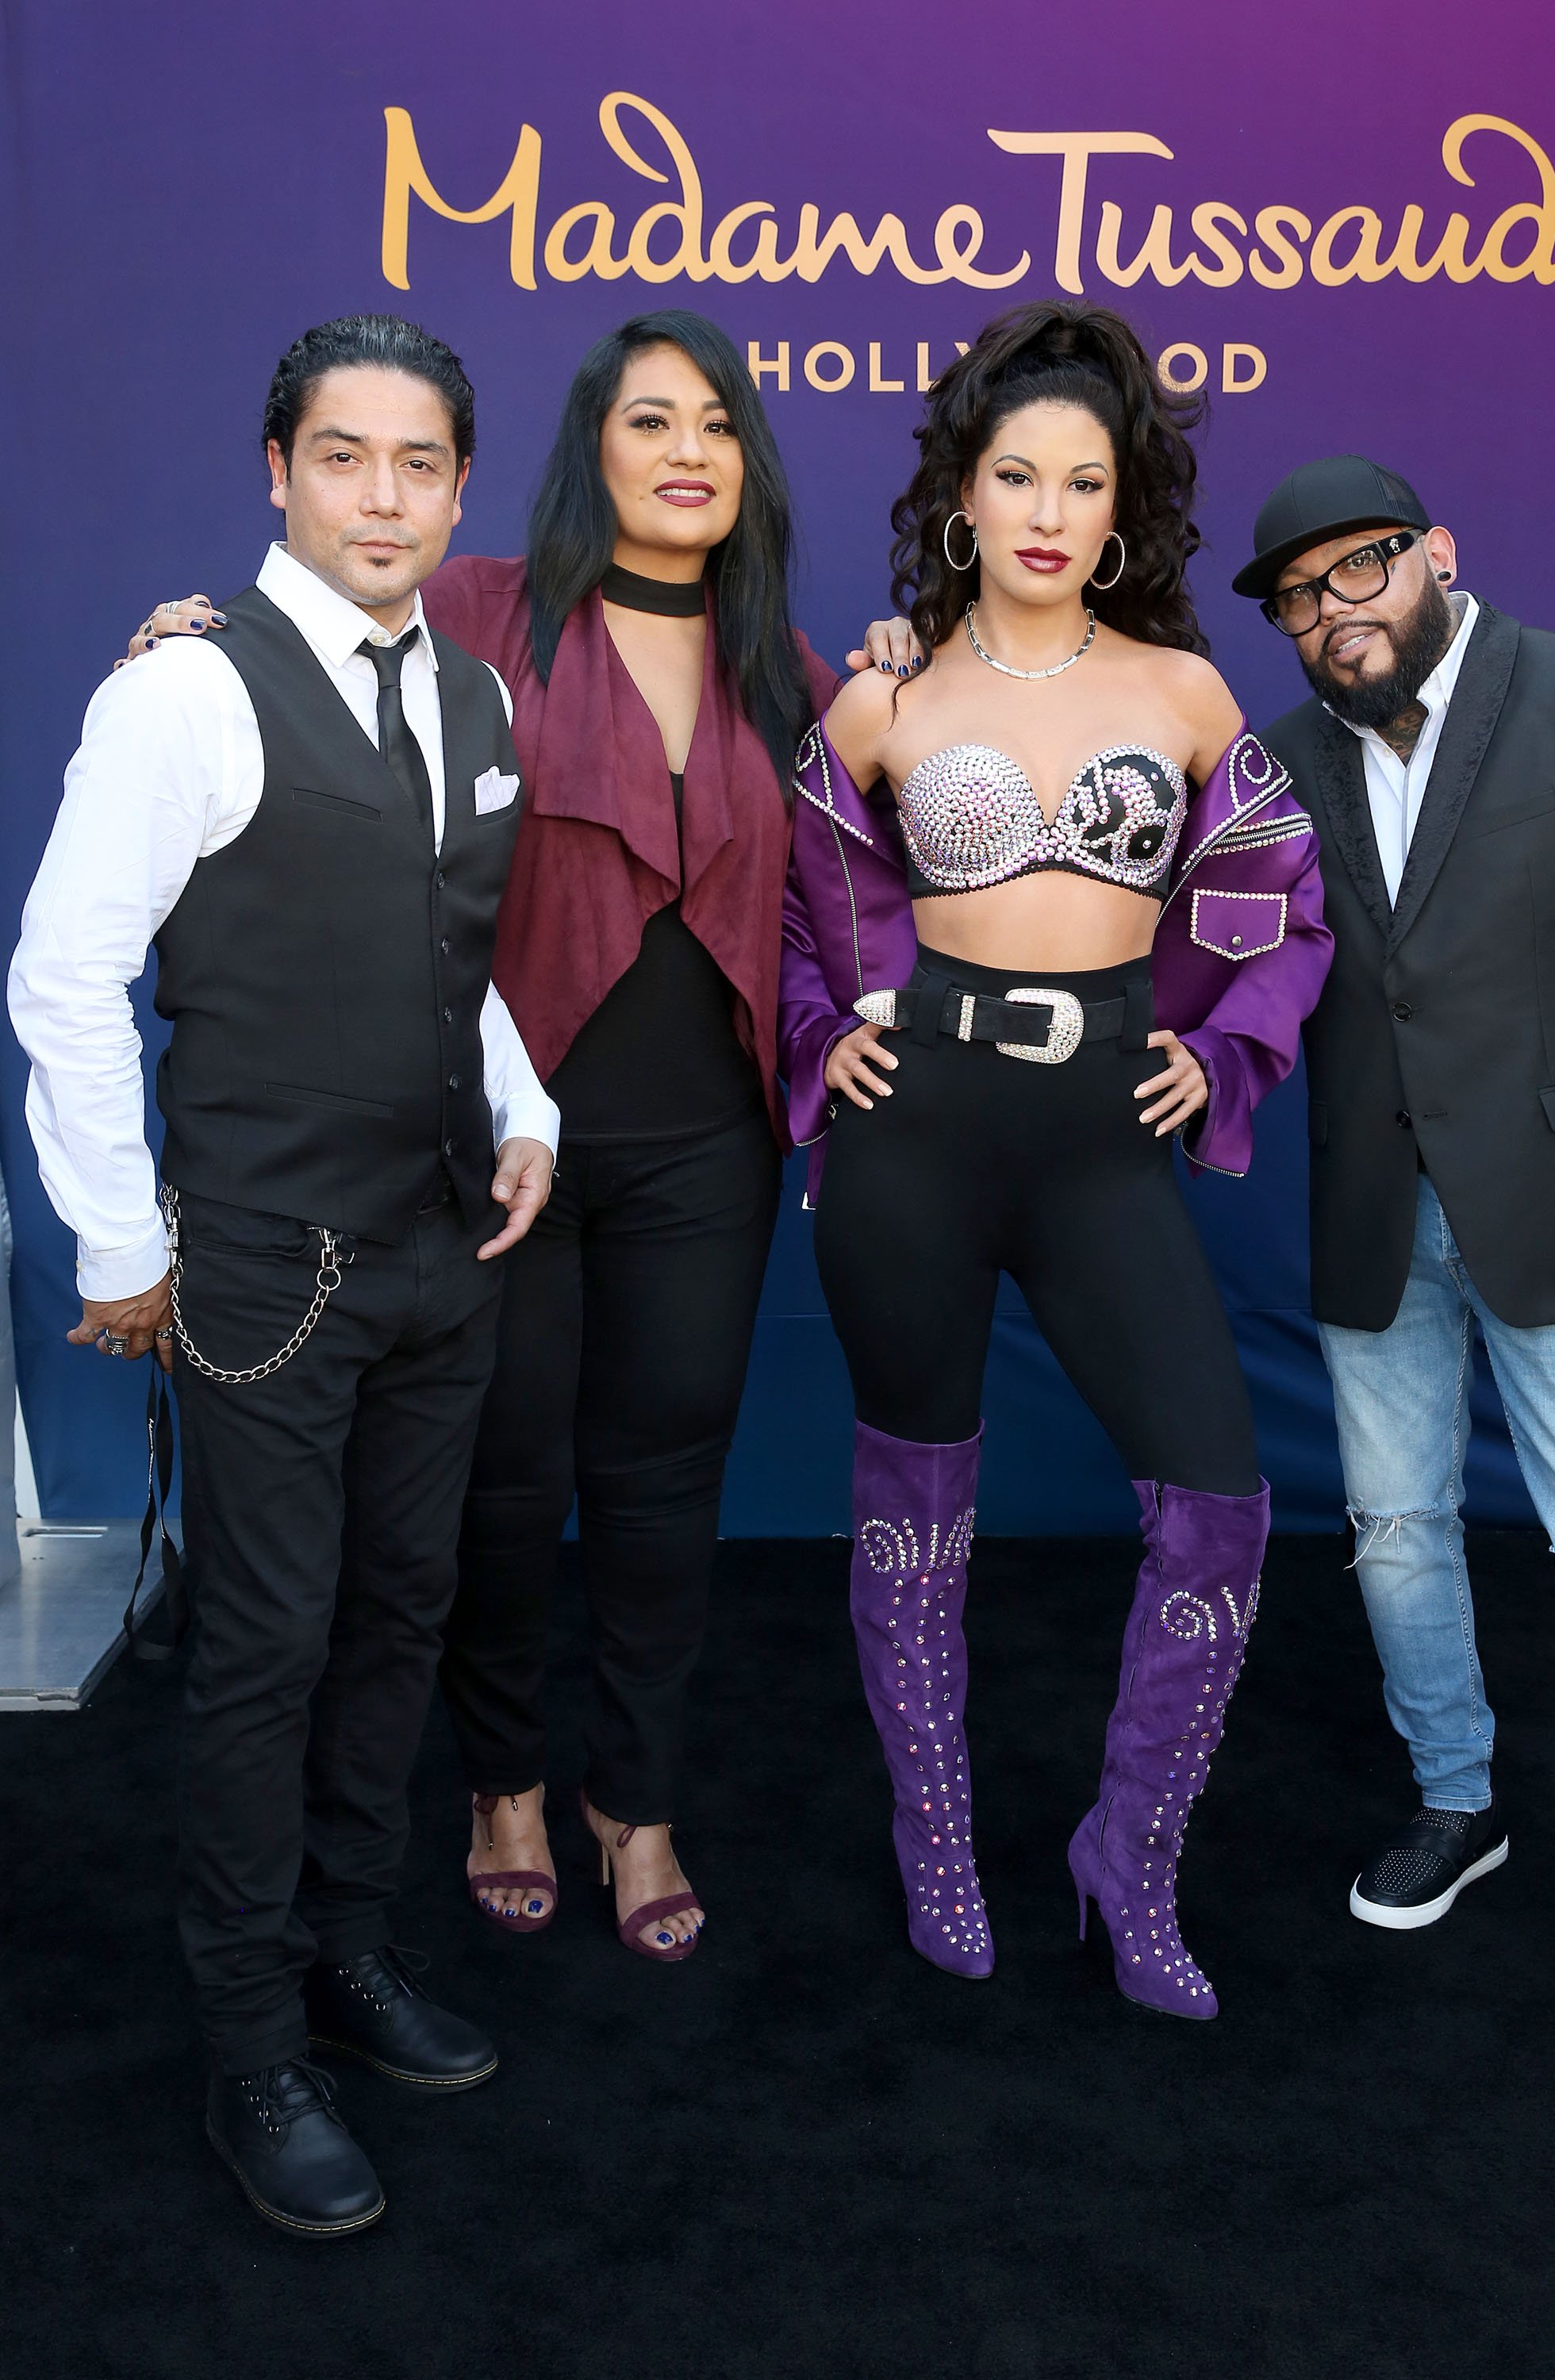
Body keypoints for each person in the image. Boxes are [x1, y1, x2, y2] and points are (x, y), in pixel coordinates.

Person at [125, 311, 913, 1956]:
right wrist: (182, 637)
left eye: (716, 424)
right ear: (589, 451)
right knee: (501, 1482)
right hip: (504, 1143)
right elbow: (301, 662)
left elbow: (872, 860)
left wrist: (915, 675)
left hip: (709, 1154)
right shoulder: (476, 608)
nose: (687, 450)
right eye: (649, 420)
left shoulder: (793, 667)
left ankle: (639, 1803)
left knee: (661, 1480)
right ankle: (501, 1782)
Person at [10, 313, 560, 2238]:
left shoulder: (479, 702)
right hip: (257, 1266)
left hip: (437, 1258)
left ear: (460, 489)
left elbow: (453, 958)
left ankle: (346, 1947)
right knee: (264, 1649)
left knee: (399, 1619)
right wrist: (122, 1242)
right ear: (277, 470)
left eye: (419, 464)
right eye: (344, 458)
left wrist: (531, 1111)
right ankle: (250, 2039)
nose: (384, 497)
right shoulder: (183, 692)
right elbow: (64, 973)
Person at [778, 300, 1332, 2017]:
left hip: (1101, 1136)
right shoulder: (880, 698)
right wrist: (824, 1035)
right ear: (962, 491)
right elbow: (798, 919)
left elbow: (1277, 894)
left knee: (1220, 1504)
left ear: (1120, 508)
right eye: (1014, 471)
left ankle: (1129, 1860)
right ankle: (936, 1841)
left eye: (1081, 481)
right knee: (915, 1508)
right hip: (913, 1138)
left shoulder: (1179, 686)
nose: (1044, 507)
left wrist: (1218, 1043)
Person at [1231, 454, 1555, 2045]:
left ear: (1436, 553)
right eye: (1299, 596)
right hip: (1373, 1217)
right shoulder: (1274, 758)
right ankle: (1456, 1803)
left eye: (1365, 569)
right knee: (1393, 1535)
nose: (1337, 611)